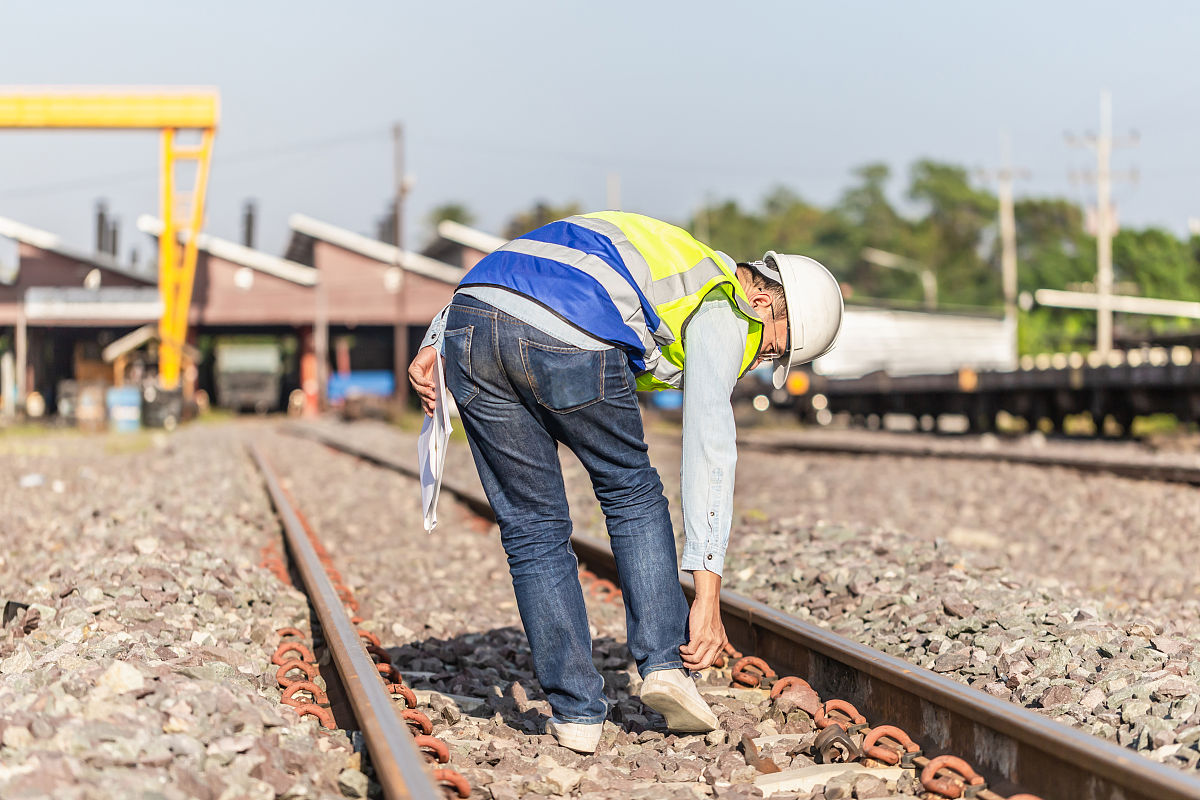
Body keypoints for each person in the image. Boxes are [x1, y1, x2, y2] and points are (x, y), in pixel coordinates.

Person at [409, 211, 842, 753]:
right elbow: (709, 446)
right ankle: (664, 665)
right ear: (764, 302)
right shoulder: (724, 303)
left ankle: (575, 715)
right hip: (571, 328)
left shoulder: (671, 255)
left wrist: (436, 334)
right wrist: (706, 598)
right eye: (773, 349)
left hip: (469, 323)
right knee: (629, 491)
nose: (759, 361)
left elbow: (530, 258)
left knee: (530, 527)